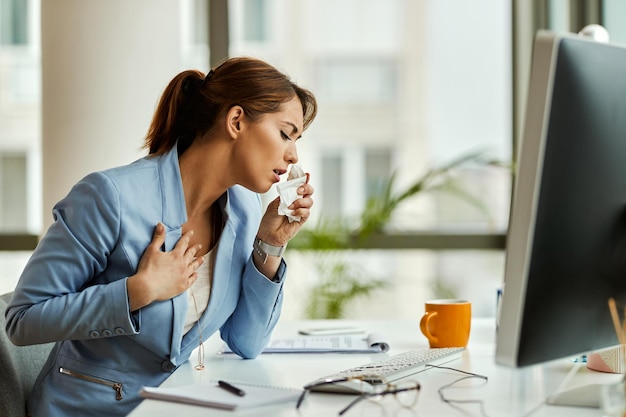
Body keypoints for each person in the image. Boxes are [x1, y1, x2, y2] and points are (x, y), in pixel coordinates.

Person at [4, 56, 317, 416]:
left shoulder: (245, 209)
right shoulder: (111, 197)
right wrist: (139, 291)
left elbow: (247, 342)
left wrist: (270, 244)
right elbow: (21, 320)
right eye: (285, 133)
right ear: (236, 121)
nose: (293, 155)